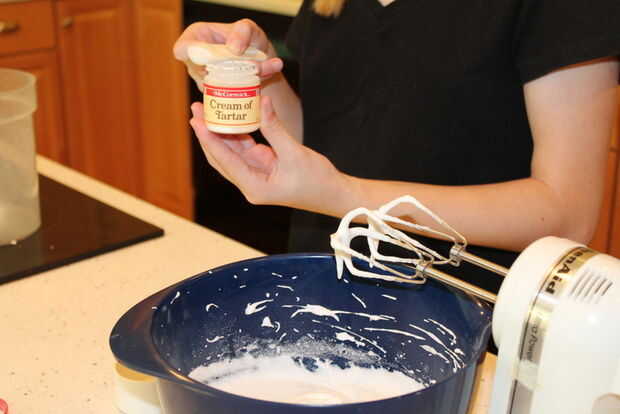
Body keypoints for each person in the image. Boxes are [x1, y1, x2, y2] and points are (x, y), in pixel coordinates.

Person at [174, 0, 620, 293]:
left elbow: (568, 213)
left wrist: (343, 195)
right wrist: (254, 75)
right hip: (323, 292)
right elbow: (332, 140)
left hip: (465, 321)